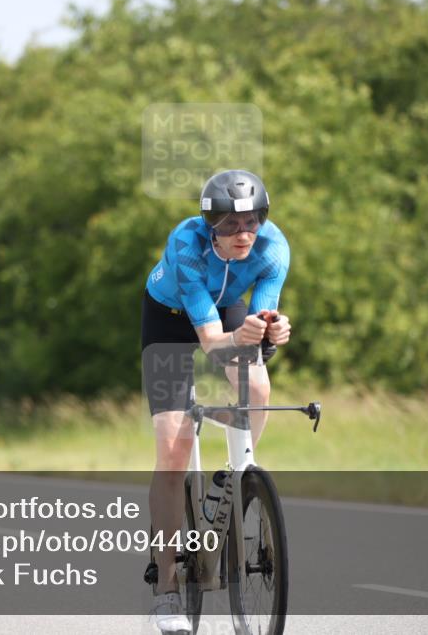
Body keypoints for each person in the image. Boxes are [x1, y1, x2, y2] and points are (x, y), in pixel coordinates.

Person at [141, 169, 291, 632]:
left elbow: (261, 319)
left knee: (259, 387)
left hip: (226, 310)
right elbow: (209, 341)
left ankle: (237, 478)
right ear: (211, 226)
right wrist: (241, 337)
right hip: (171, 319)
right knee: (172, 449)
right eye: (229, 225)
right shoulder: (187, 244)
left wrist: (272, 330)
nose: (243, 233)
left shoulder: (273, 247)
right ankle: (167, 588)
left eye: (252, 222)